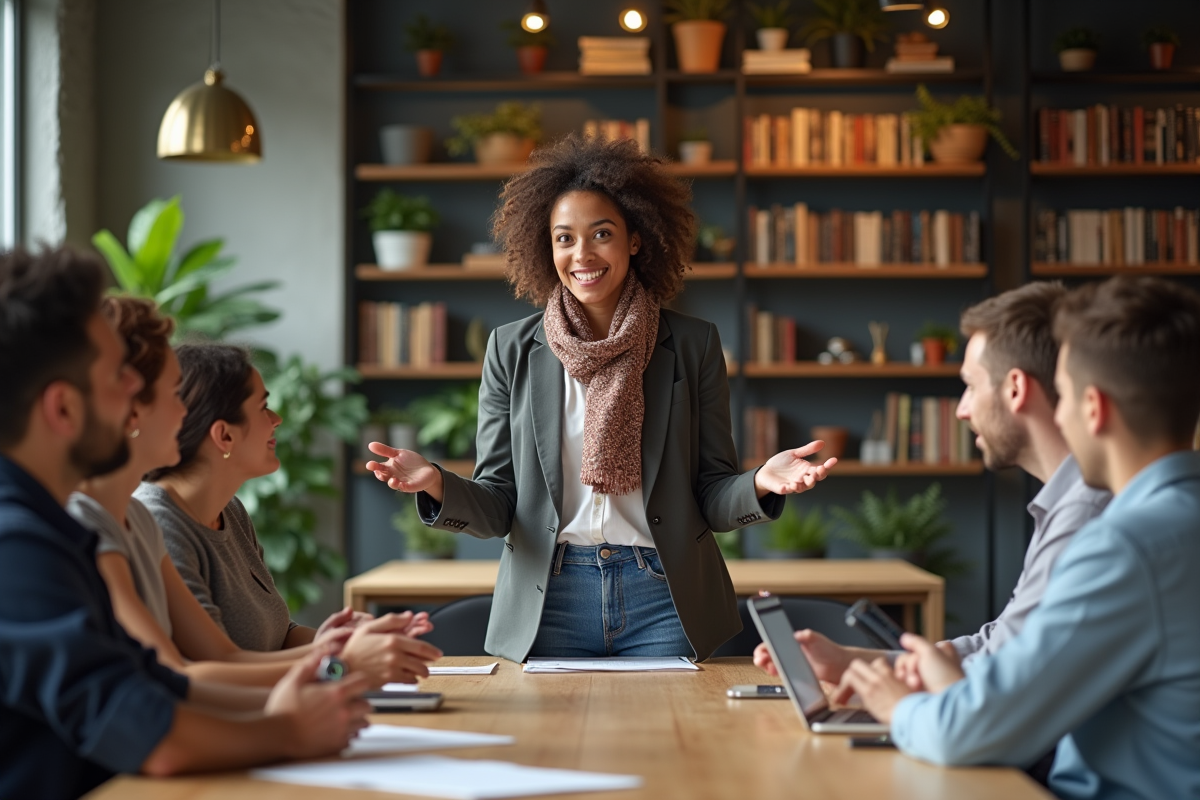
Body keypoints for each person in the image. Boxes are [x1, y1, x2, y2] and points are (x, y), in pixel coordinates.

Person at [365, 134, 837, 662]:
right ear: (546, 247)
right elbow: (499, 505)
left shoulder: (692, 344)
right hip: (549, 599)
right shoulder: (510, 350)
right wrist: (435, 485)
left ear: (635, 239)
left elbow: (710, 493)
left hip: (664, 597)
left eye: (602, 234)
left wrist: (760, 483)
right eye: (564, 238)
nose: (582, 254)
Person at [0, 247, 370, 799]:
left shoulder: (53, 526)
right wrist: (290, 728)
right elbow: (145, 727)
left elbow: (160, 683)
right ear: (62, 409)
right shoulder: (18, 544)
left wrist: (327, 685)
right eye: (117, 377)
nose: (135, 393)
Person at [840, 276, 1200, 800]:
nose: (1058, 415)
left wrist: (899, 707)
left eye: (1064, 395)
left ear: (1094, 408)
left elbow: (972, 730)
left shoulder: (1124, 547)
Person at [70, 296, 437, 687]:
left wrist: (338, 646)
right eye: (263, 408)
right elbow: (192, 678)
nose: (277, 419)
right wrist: (340, 663)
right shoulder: (137, 519)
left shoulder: (183, 515)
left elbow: (235, 655)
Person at [754, 282, 1110, 685]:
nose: (961, 410)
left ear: (1015, 388)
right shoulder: (1063, 505)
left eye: (971, 386)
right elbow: (999, 644)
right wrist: (852, 664)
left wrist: (896, 699)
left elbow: (1011, 681)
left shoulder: (1084, 516)